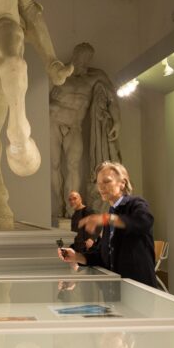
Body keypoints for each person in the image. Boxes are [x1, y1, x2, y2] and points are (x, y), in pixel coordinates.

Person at [49, 43, 122, 217]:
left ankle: (71, 210)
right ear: (74, 56)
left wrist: (117, 121)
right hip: (55, 122)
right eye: (81, 57)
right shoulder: (60, 73)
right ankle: (59, 205)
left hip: (75, 126)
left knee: (74, 166)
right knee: (55, 164)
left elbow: (112, 97)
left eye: (87, 58)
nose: (83, 61)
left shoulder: (95, 77)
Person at [58, 161, 158, 288]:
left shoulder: (136, 203)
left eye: (106, 181)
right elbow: (102, 256)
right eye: (99, 183)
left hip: (139, 289)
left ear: (122, 183)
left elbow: (144, 222)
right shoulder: (110, 214)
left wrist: (107, 219)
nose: (101, 187)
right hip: (118, 291)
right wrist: (76, 256)